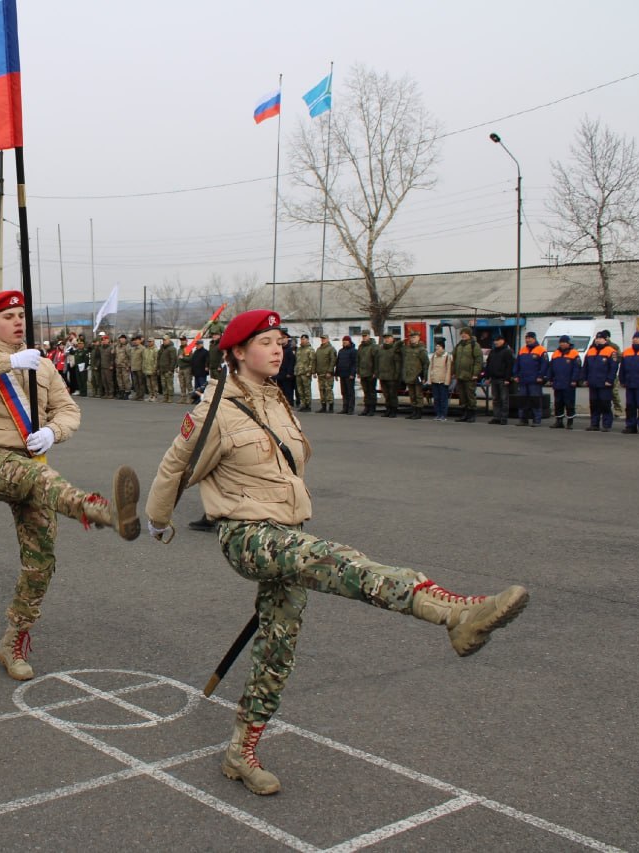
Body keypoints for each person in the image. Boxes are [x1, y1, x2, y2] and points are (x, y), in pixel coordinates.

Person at [144, 309, 528, 797]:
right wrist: (158, 522)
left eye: (280, 341)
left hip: (288, 534)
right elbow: (174, 467)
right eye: (265, 342)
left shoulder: (278, 399)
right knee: (341, 562)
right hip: (249, 537)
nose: (278, 348)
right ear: (238, 352)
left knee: (278, 646)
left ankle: (241, 751)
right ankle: (453, 612)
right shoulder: (213, 410)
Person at [0, 291, 140, 681]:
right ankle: (101, 511)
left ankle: (12, 641)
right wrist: (7, 361)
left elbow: (69, 409)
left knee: (41, 561)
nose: (18, 321)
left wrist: (54, 432)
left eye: (21, 315)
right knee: (38, 478)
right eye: (8, 316)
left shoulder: (42, 365)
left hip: (35, 462)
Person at [582, 330, 619, 432]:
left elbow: (613, 368)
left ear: (605, 339)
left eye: (600, 338)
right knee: (594, 404)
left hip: (604, 383)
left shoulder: (611, 351)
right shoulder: (591, 351)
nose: (598, 340)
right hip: (593, 382)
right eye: (597, 338)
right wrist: (585, 379)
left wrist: (609, 380)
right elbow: (585, 367)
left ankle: (606, 424)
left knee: (605, 404)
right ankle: (594, 424)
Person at [546, 335, 583, 430]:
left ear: (568, 343)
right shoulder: (555, 353)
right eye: (561, 342)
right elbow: (551, 367)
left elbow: (577, 368)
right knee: (558, 403)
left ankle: (570, 422)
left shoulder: (574, 353)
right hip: (557, 383)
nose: (562, 344)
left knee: (569, 403)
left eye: (564, 342)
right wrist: (550, 379)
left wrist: (574, 380)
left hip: (569, 383)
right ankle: (559, 421)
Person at [513, 331, 549, 427]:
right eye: (526, 338)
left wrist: (541, 376)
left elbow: (544, 365)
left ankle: (536, 420)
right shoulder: (522, 350)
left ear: (534, 339)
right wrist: (515, 375)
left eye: (530, 338)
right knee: (522, 401)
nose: (528, 340)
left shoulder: (541, 350)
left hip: (535, 381)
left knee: (535, 400)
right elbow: (517, 364)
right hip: (523, 380)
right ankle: (523, 420)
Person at [452, 328, 484, 423]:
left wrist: (475, 373)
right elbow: (455, 358)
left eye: (465, 334)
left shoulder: (474, 345)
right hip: (459, 375)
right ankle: (464, 414)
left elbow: (479, 360)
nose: (463, 335)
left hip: (470, 375)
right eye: (462, 334)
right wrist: (454, 372)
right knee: (462, 396)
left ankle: (472, 414)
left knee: (470, 395)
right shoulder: (459, 345)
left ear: (469, 334)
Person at [484, 332, 514, 425]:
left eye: (497, 340)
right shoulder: (493, 352)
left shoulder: (507, 351)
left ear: (502, 341)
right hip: (493, 378)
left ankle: (504, 418)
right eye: (494, 341)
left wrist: (507, 379)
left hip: (502, 379)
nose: (495, 342)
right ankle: (496, 417)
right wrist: (487, 377)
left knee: (504, 399)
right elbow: (488, 364)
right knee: (495, 399)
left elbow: (510, 366)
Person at [401, 331, 429, 419]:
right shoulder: (407, 349)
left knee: (418, 395)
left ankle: (419, 413)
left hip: (418, 376)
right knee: (412, 395)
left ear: (418, 338)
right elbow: (397, 349)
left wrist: (425, 376)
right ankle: (413, 412)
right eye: (411, 337)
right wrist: (401, 341)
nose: (412, 339)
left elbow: (426, 364)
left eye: (414, 337)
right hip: (409, 375)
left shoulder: (421, 350)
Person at [377, 332, 403, 418]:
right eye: (385, 338)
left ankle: (393, 410)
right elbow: (378, 362)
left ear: (392, 338)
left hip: (392, 377)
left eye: (388, 338)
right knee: (386, 395)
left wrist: (397, 376)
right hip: (383, 376)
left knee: (392, 395)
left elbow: (398, 364)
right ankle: (388, 410)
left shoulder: (395, 349)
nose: (386, 339)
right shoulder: (381, 349)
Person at [428, 337, 454, 421]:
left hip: (443, 381)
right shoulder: (433, 356)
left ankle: (443, 414)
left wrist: (447, 381)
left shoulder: (447, 356)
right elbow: (430, 368)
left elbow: (449, 369)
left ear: (442, 347)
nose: (437, 348)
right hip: (435, 380)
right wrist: (429, 379)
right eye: (436, 346)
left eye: (438, 346)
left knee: (443, 398)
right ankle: (438, 414)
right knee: (436, 398)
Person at [356, 330, 378, 416]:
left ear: (369, 336)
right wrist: (358, 371)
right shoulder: (361, 347)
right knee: (366, 391)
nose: (364, 337)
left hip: (371, 372)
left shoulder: (374, 347)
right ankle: (366, 407)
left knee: (371, 391)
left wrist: (375, 371)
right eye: (363, 336)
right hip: (363, 372)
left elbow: (376, 360)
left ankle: (372, 408)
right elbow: (358, 359)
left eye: (365, 336)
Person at [313, 334, 336, 413]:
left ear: (328, 339)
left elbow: (333, 361)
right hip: (320, 373)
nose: (323, 340)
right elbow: (315, 361)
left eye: (324, 338)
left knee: (328, 390)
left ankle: (331, 406)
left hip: (327, 374)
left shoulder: (331, 349)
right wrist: (314, 371)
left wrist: (330, 371)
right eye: (322, 338)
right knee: (322, 390)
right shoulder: (319, 349)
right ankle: (323, 406)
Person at [334, 335, 357, 414]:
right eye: (343, 341)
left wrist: (352, 373)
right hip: (342, 374)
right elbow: (338, 362)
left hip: (349, 375)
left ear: (349, 342)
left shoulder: (353, 351)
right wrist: (336, 373)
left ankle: (351, 408)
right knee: (344, 392)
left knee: (350, 392)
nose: (344, 343)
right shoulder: (341, 351)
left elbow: (354, 363)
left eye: (346, 341)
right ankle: (345, 407)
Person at [293, 334, 315, 412]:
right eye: (301, 339)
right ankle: (302, 404)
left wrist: (310, 371)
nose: (302, 340)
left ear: (307, 340)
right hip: (298, 372)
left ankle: (308, 405)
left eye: (304, 339)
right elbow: (296, 360)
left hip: (306, 372)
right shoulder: (298, 349)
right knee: (300, 389)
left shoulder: (310, 349)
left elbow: (312, 361)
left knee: (307, 389)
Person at [276, 329, 297, 406]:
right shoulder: (280, 349)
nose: (282, 340)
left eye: (284, 338)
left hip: (287, 374)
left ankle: (289, 403)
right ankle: (283, 404)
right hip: (280, 373)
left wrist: (289, 372)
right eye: (281, 338)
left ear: (287, 339)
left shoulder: (290, 350)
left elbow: (292, 362)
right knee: (280, 390)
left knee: (288, 390)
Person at [157, 334, 178, 404]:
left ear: (169, 340)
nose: (164, 341)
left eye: (165, 340)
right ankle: (165, 397)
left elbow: (173, 360)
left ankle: (170, 397)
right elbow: (158, 359)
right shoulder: (161, 348)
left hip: (168, 370)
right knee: (163, 385)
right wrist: (158, 368)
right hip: (162, 370)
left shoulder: (172, 349)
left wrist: (171, 370)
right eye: (163, 340)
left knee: (169, 385)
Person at [190, 339, 210, 404]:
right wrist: (192, 371)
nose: (197, 346)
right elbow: (193, 361)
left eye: (198, 344)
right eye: (196, 344)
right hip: (196, 372)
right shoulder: (195, 352)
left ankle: (202, 399)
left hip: (202, 372)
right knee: (196, 387)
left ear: (202, 344)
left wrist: (207, 367)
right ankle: (197, 399)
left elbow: (207, 360)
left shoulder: (205, 352)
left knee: (202, 387)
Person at [114, 334, 133, 400]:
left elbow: (130, 357)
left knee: (126, 380)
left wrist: (128, 365)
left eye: (122, 338)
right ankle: (121, 392)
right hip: (118, 366)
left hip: (125, 366)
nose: (121, 340)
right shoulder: (117, 346)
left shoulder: (127, 346)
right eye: (120, 338)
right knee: (119, 380)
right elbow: (114, 354)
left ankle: (127, 392)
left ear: (125, 339)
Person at [177, 335, 194, 404]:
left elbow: (191, 359)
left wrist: (183, 358)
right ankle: (183, 397)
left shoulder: (189, 348)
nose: (182, 341)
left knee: (188, 383)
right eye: (181, 340)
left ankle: (190, 398)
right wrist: (176, 366)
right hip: (181, 368)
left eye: (183, 340)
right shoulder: (179, 349)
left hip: (187, 368)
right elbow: (178, 358)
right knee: (182, 384)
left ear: (186, 341)